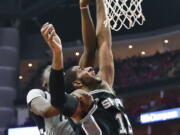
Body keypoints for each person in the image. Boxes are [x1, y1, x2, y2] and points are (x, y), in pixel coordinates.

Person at [40, 0, 133, 134]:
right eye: (82, 69)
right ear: (77, 83)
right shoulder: (81, 101)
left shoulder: (104, 87)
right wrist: (57, 53)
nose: (90, 68)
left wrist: (94, 4)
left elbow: (102, 44)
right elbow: (58, 99)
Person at [26, 65, 75, 135]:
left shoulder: (74, 93)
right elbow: (44, 110)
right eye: (51, 71)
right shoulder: (38, 94)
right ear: (44, 83)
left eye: (60, 71)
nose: (57, 72)